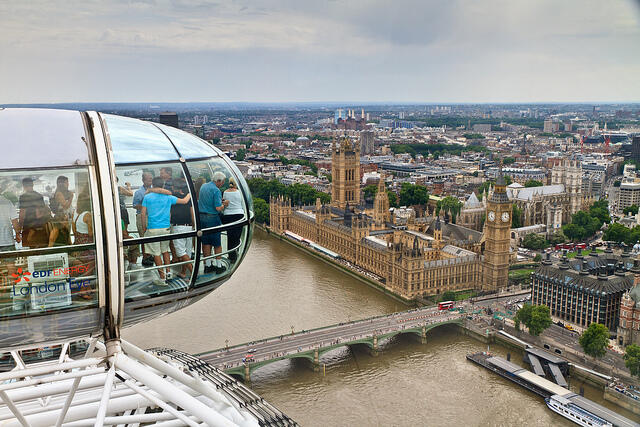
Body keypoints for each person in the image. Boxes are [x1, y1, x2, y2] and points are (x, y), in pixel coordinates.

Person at [140, 177, 191, 284]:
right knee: (165, 251)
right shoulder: (168, 197)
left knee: (156, 253)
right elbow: (185, 201)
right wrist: (191, 192)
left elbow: (143, 214)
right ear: (163, 185)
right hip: (166, 228)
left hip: (153, 228)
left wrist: (144, 228)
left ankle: (162, 277)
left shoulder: (147, 197)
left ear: (153, 185)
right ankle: (168, 273)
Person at [198, 171, 228, 274]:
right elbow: (218, 208)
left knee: (206, 242)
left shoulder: (203, 186)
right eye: (222, 182)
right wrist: (225, 205)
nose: (222, 184)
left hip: (201, 217)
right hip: (212, 218)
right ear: (218, 181)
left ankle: (208, 265)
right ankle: (219, 266)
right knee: (217, 243)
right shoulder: (216, 190)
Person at [170, 177, 194, 279]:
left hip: (178, 227)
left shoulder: (172, 197)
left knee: (181, 252)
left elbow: (170, 214)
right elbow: (192, 213)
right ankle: (183, 272)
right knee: (187, 252)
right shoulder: (188, 198)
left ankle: (193, 272)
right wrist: (193, 225)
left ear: (173, 187)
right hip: (189, 227)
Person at [18, 177, 51, 248]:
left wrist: (19, 229)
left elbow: (22, 214)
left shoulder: (23, 197)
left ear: (23, 186)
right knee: (42, 249)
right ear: (32, 185)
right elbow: (41, 212)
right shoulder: (39, 196)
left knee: (32, 250)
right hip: (41, 227)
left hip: (29, 228)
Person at [133, 172, 154, 266]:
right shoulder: (139, 192)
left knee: (152, 236)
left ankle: (151, 255)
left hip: (152, 216)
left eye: (151, 179)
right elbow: (135, 205)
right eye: (149, 179)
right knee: (143, 236)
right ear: (143, 180)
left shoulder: (155, 190)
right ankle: (145, 257)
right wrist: (145, 206)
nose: (151, 180)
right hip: (142, 216)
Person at [222, 177, 245, 263]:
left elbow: (225, 204)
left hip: (228, 216)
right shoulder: (239, 192)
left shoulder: (225, 192)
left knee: (230, 236)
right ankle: (236, 252)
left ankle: (231, 256)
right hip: (239, 215)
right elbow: (242, 204)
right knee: (237, 236)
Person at [48, 175, 74, 246]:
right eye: (66, 182)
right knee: (63, 233)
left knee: (67, 234)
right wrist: (71, 197)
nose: (68, 184)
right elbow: (65, 206)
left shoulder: (64, 193)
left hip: (66, 218)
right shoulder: (59, 193)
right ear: (62, 184)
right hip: (62, 218)